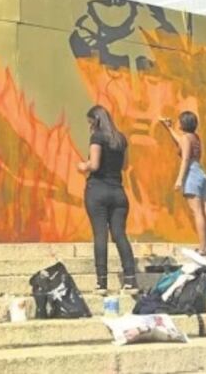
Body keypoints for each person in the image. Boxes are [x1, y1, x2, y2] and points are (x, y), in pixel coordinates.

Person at [77, 105, 137, 294]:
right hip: (118, 193)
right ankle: (130, 280)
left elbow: (94, 165)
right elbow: (125, 166)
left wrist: (82, 166)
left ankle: (102, 282)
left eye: (90, 123)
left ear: (95, 121)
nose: (89, 127)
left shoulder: (97, 137)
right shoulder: (120, 139)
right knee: (119, 234)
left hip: (98, 190)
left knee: (100, 234)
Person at [160, 112, 206, 256]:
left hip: (192, 174)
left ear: (183, 123)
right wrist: (169, 128)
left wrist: (179, 179)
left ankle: (203, 247)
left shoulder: (185, 138)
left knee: (197, 212)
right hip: (201, 174)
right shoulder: (195, 138)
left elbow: (185, 159)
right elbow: (182, 143)